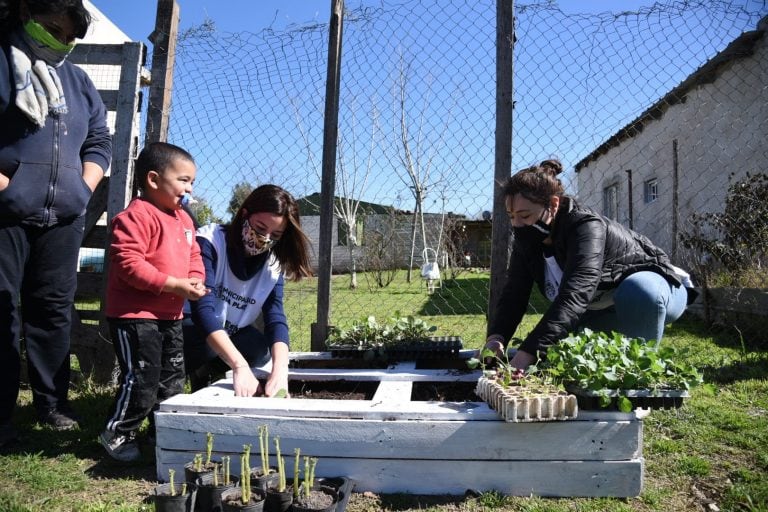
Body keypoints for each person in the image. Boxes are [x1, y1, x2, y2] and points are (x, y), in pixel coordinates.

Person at [0, 0, 112, 446]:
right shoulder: (4, 62)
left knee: (53, 312)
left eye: (69, 37)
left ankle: (52, 405)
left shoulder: (77, 80)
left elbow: (99, 140)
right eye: (54, 30)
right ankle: (1, 415)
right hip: (5, 215)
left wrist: (83, 189)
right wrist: (7, 186)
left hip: (63, 217)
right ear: (26, 15)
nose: (62, 42)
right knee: (1, 312)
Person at [484, 159, 691, 371]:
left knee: (639, 292)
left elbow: (574, 295)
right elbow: (514, 294)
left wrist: (524, 357)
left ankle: (639, 376)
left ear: (553, 205)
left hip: (659, 293)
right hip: (603, 309)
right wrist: (497, 337)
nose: (516, 225)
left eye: (525, 215)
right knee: (563, 358)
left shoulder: (585, 227)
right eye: (511, 216)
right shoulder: (528, 239)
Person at [99, 142, 207, 462]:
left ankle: (163, 430)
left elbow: (194, 256)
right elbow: (129, 265)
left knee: (172, 378)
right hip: (135, 315)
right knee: (143, 377)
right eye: (183, 180)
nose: (188, 189)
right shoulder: (135, 217)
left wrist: (195, 279)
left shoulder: (184, 220)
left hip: (170, 314)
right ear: (154, 179)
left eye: (192, 182)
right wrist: (173, 284)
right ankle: (118, 430)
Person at [184, 184, 313, 397]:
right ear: (245, 214)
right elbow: (203, 311)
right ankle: (191, 372)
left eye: (276, 234)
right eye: (260, 228)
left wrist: (281, 371)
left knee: (259, 351)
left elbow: (275, 317)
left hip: (232, 331)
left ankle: (211, 372)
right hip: (193, 326)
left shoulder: (273, 264)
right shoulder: (210, 241)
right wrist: (239, 366)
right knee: (204, 347)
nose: (265, 238)